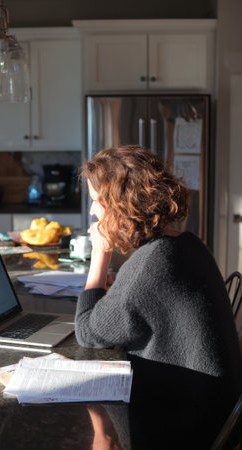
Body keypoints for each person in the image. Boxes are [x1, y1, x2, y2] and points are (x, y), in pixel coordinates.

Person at [75, 145, 242, 449]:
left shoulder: (148, 266)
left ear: (119, 205)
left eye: (96, 201)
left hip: (182, 430)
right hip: (218, 418)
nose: (92, 212)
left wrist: (100, 253)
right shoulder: (186, 244)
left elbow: (87, 330)